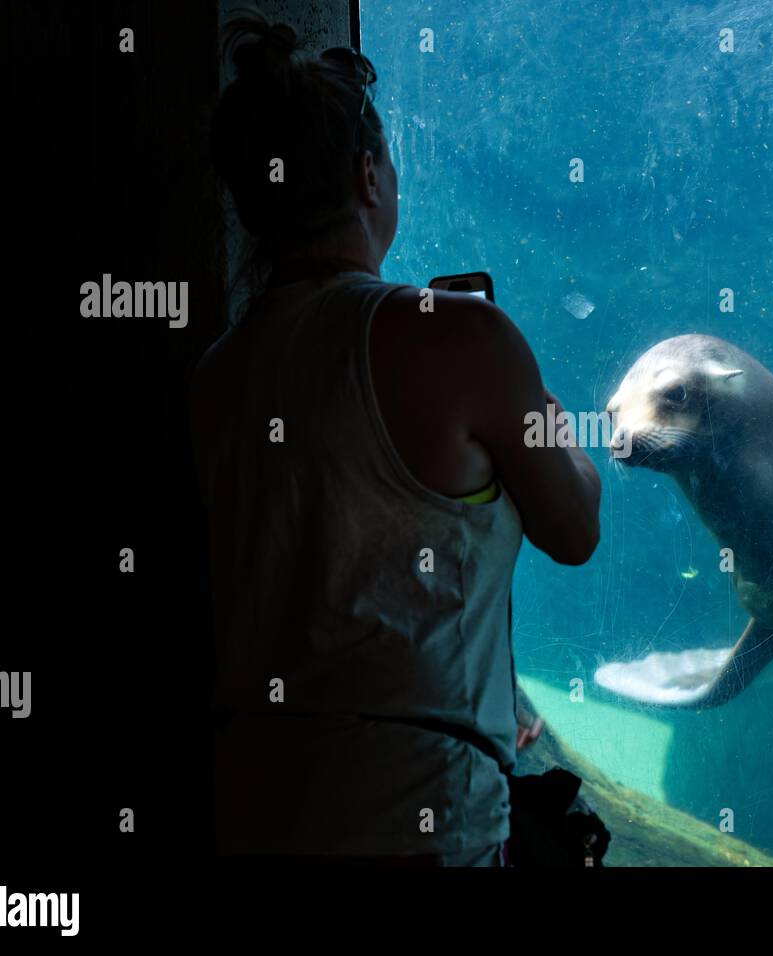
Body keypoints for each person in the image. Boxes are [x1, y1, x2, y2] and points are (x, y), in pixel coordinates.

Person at [190, 9, 601, 866]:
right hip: (425, 821)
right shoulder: (459, 337)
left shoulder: (216, 374)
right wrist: (551, 419)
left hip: (248, 813)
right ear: (369, 176)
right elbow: (575, 529)